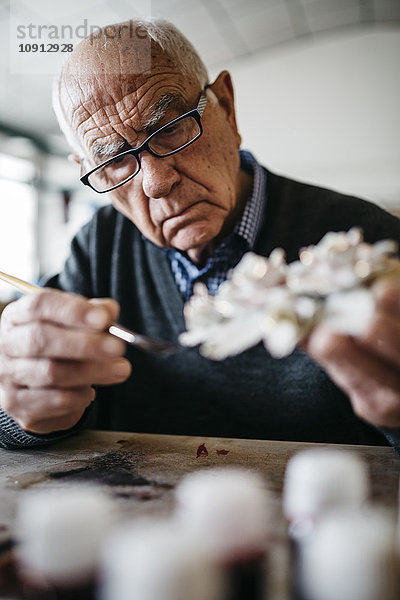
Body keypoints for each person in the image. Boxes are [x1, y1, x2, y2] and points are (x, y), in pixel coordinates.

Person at [1, 19, 400, 451]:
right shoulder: (98, 250)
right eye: (115, 160)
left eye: (170, 127)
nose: (155, 182)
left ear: (226, 106)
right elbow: (26, 421)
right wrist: (28, 414)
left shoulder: (366, 245)